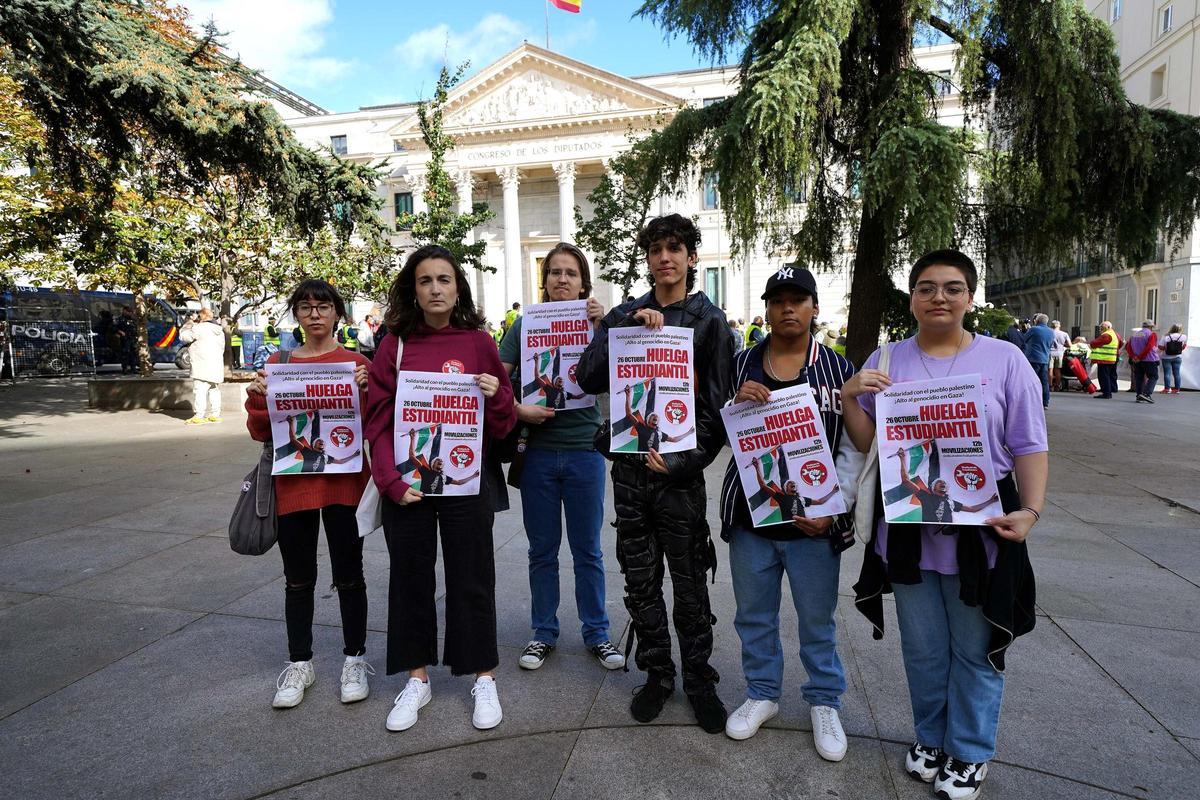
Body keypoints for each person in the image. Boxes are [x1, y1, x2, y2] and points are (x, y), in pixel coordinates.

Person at [841, 249, 1048, 800]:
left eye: (952, 288)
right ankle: (931, 740)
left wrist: (1030, 510)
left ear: (970, 297)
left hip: (982, 530)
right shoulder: (886, 358)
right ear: (911, 297)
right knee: (924, 649)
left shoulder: (1005, 360)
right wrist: (849, 397)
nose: (939, 297)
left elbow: (1029, 443)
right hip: (908, 530)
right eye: (927, 287)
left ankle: (970, 751)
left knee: (974, 648)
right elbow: (869, 447)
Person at [576, 213, 734, 733]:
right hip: (629, 473)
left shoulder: (710, 324)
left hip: (680, 477)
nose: (664, 258)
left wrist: (688, 461)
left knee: (690, 586)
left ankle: (699, 681)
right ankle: (658, 675)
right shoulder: (626, 312)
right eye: (656, 250)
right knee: (641, 582)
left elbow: (716, 408)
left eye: (675, 248)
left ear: (692, 257)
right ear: (647, 258)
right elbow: (588, 376)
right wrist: (619, 328)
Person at [365, 245, 516, 733]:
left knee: (472, 578)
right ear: (414, 288)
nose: (435, 288)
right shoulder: (395, 345)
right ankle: (417, 678)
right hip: (410, 486)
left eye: (444, 280)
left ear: (458, 288)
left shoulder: (478, 343)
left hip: (466, 485)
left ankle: (483, 676)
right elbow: (378, 422)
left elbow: (504, 422)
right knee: (410, 579)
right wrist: (389, 480)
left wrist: (496, 398)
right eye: (425, 280)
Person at [717, 266, 863, 760]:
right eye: (777, 299)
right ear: (766, 308)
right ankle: (762, 693)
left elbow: (853, 448)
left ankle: (824, 701)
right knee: (753, 616)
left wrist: (834, 505)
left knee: (816, 619)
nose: (787, 308)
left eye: (797, 299)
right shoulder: (740, 364)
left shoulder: (840, 371)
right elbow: (714, 428)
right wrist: (733, 405)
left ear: (814, 308)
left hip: (814, 522)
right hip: (752, 517)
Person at [497, 242, 625, 673]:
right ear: (545, 279)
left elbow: (621, 374)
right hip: (537, 453)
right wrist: (517, 409)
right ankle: (543, 632)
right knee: (542, 551)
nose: (562, 279)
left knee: (588, 550)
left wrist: (603, 326)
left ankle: (598, 633)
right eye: (554, 272)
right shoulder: (525, 323)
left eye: (570, 272)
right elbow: (499, 380)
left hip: (585, 452)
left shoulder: (596, 324)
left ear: (583, 282)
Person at [245, 279, 373, 709]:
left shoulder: (356, 363)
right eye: (305, 307)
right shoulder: (277, 364)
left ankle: (355, 658)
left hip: (343, 484)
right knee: (298, 579)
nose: (314, 314)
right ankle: (300, 661)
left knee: (349, 575)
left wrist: (368, 390)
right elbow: (259, 432)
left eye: (323, 306)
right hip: (294, 485)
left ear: (338, 313)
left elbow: (376, 426)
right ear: (296, 315)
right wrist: (258, 398)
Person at [179, 308, 226, 425]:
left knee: (200, 390)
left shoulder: (199, 328)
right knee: (214, 389)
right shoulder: (219, 331)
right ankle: (215, 414)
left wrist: (188, 324)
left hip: (202, 365)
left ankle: (199, 415)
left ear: (201, 317)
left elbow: (184, 337)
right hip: (215, 364)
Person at [283, 411, 361, 473]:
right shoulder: (308, 452)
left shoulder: (325, 457)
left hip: (317, 480)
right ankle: (316, 415)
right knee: (316, 434)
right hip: (307, 480)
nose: (322, 442)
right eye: (319, 441)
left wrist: (354, 455)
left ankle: (316, 414)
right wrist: (291, 423)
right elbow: (293, 439)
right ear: (313, 445)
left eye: (322, 442)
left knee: (316, 434)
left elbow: (341, 461)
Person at [1022, 313, 1053, 408]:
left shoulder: (1034, 329)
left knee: (1031, 380)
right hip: (1044, 359)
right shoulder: (1051, 332)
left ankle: (1030, 401)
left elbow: (1024, 339)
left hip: (1033, 358)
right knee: (1044, 381)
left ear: (1037, 321)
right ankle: (1045, 401)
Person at [1127, 319, 1160, 402]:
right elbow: (1149, 347)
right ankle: (1146, 394)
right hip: (1149, 359)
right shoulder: (1151, 334)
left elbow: (1128, 347)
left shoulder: (1134, 334)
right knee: (1153, 376)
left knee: (1139, 377)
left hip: (1137, 361)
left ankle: (1139, 395)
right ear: (1151, 327)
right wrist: (1140, 357)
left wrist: (1134, 356)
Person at [1089, 321, 1120, 399]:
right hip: (1110, 358)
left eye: (1102, 327)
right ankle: (1109, 391)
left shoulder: (1106, 335)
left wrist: (1091, 343)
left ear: (1108, 327)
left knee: (1103, 376)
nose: (1101, 328)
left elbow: (1094, 343)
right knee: (1109, 376)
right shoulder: (1114, 334)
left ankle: (1106, 393)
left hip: (1104, 359)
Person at [1159, 324, 1186, 394]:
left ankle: (1167, 389)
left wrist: (1167, 348)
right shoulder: (1183, 336)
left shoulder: (1165, 336)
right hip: (1177, 357)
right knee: (1177, 373)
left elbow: (1160, 347)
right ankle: (1177, 389)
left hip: (1166, 357)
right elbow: (1183, 347)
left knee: (1167, 373)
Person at [1048, 320, 1070, 391]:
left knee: (1050, 370)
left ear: (1051, 326)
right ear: (1059, 326)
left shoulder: (1049, 333)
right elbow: (1069, 345)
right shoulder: (1064, 334)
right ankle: (1057, 386)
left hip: (1050, 353)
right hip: (1060, 353)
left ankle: (1050, 386)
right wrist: (1062, 344)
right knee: (1058, 370)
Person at [115, 305, 137, 374]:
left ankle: (133, 369)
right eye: (128, 311)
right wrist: (120, 332)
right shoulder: (120, 319)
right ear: (124, 311)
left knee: (133, 354)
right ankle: (125, 369)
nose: (130, 313)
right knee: (125, 354)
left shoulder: (132, 319)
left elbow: (135, 328)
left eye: (130, 312)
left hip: (132, 339)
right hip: (125, 340)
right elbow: (113, 328)